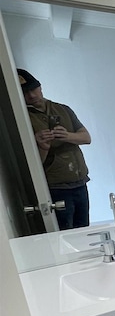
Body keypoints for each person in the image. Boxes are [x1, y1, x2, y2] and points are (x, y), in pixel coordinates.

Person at [18, 68, 92, 230]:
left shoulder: (63, 109)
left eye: (33, 89)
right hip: (55, 187)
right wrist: (43, 145)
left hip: (79, 182)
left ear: (40, 86)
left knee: (83, 231)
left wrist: (67, 136)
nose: (31, 95)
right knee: (64, 236)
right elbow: (33, 165)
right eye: (25, 92)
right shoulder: (22, 119)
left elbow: (86, 138)